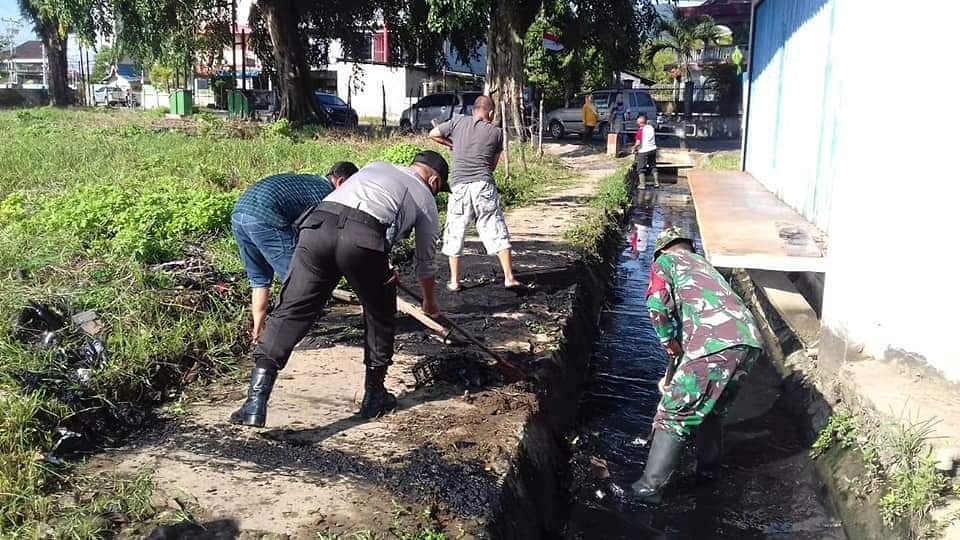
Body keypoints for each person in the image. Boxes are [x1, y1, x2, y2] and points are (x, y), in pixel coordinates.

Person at [230, 151, 449, 427]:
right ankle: (374, 395)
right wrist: (429, 302)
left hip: (317, 227)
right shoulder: (426, 197)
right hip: (363, 238)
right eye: (439, 188)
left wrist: (381, 261)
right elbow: (425, 259)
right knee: (380, 313)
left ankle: (254, 402)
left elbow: (364, 208)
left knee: (291, 311)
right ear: (434, 180)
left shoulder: (377, 166)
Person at [632, 227, 763, 503]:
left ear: (663, 249)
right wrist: (678, 366)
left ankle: (647, 491)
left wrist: (666, 340)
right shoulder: (704, 266)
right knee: (710, 411)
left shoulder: (665, 262)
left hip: (716, 341)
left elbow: (657, 302)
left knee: (673, 415)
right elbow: (698, 320)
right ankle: (707, 474)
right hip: (748, 340)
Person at [232, 162, 359, 340]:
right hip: (266, 217)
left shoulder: (310, 182)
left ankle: (257, 332)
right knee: (299, 278)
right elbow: (321, 235)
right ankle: (292, 329)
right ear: (341, 181)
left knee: (259, 279)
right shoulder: (326, 195)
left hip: (239, 214)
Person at [428, 95, 528, 292]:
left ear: (473, 110)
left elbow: (433, 134)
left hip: (459, 186)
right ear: (490, 113)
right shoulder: (497, 133)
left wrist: (452, 144)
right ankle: (509, 277)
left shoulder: (457, 121)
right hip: (483, 185)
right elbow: (491, 167)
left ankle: (455, 281)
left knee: (456, 230)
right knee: (494, 225)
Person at [632, 113, 659, 189]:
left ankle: (642, 185)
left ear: (639, 122)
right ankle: (656, 183)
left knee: (640, 168)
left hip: (644, 151)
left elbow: (638, 143)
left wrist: (634, 149)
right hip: (653, 149)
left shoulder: (640, 131)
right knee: (653, 166)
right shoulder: (651, 127)